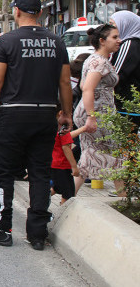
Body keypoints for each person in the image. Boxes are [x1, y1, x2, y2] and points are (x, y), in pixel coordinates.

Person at [0, 0, 72, 251]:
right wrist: (66, 113)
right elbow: (64, 82)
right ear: (39, 13)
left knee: (2, 173)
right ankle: (37, 234)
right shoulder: (56, 41)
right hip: (45, 115)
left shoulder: (6, 41)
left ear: (16, 11)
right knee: (40, 173)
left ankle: (1, 229)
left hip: (13, 115)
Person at [73, 24, 123, 196]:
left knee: (89, 158)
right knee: (116, 155)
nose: (119, 41)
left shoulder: (94, 59)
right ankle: (124, 198)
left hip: (94, 114)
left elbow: (83, 86)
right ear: (102, 41)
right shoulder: (99, 62)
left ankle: (64, 197)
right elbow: (87, 88)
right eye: (115, 37)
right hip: (97, 116)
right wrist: (91, 116)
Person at [109, 11, 140, 118]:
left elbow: (115, 75)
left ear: (125, 25)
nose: (110, 28)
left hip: (127, 103)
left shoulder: (128, 44)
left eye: (113, 24)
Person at [51, 108, 84, 205]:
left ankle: (40, 200)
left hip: (53, 163)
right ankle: (63, 212)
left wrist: (83, 129)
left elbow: (66, 138)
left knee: (57, 187)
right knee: (68, 193)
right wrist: (74, 167)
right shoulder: (63, 129)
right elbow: (66, 147)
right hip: (62, 165)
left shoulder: (52, 126)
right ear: (61, 113)